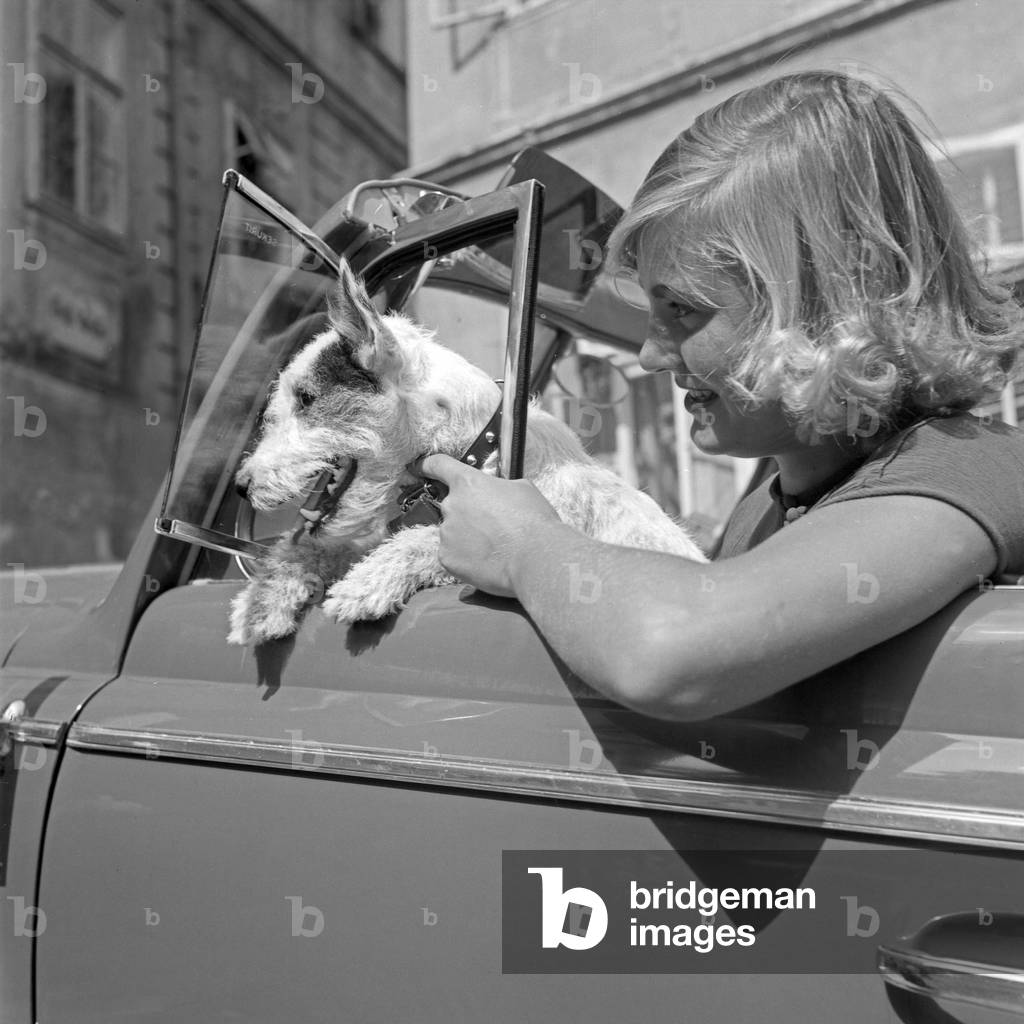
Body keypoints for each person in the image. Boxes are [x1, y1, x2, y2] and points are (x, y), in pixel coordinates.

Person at [417, 71, 1024, 721]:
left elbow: (675, 654)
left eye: (682, 309)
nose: (649, 355)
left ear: (833, 307)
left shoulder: (975, 468)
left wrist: (524, 547)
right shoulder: (775, 493)